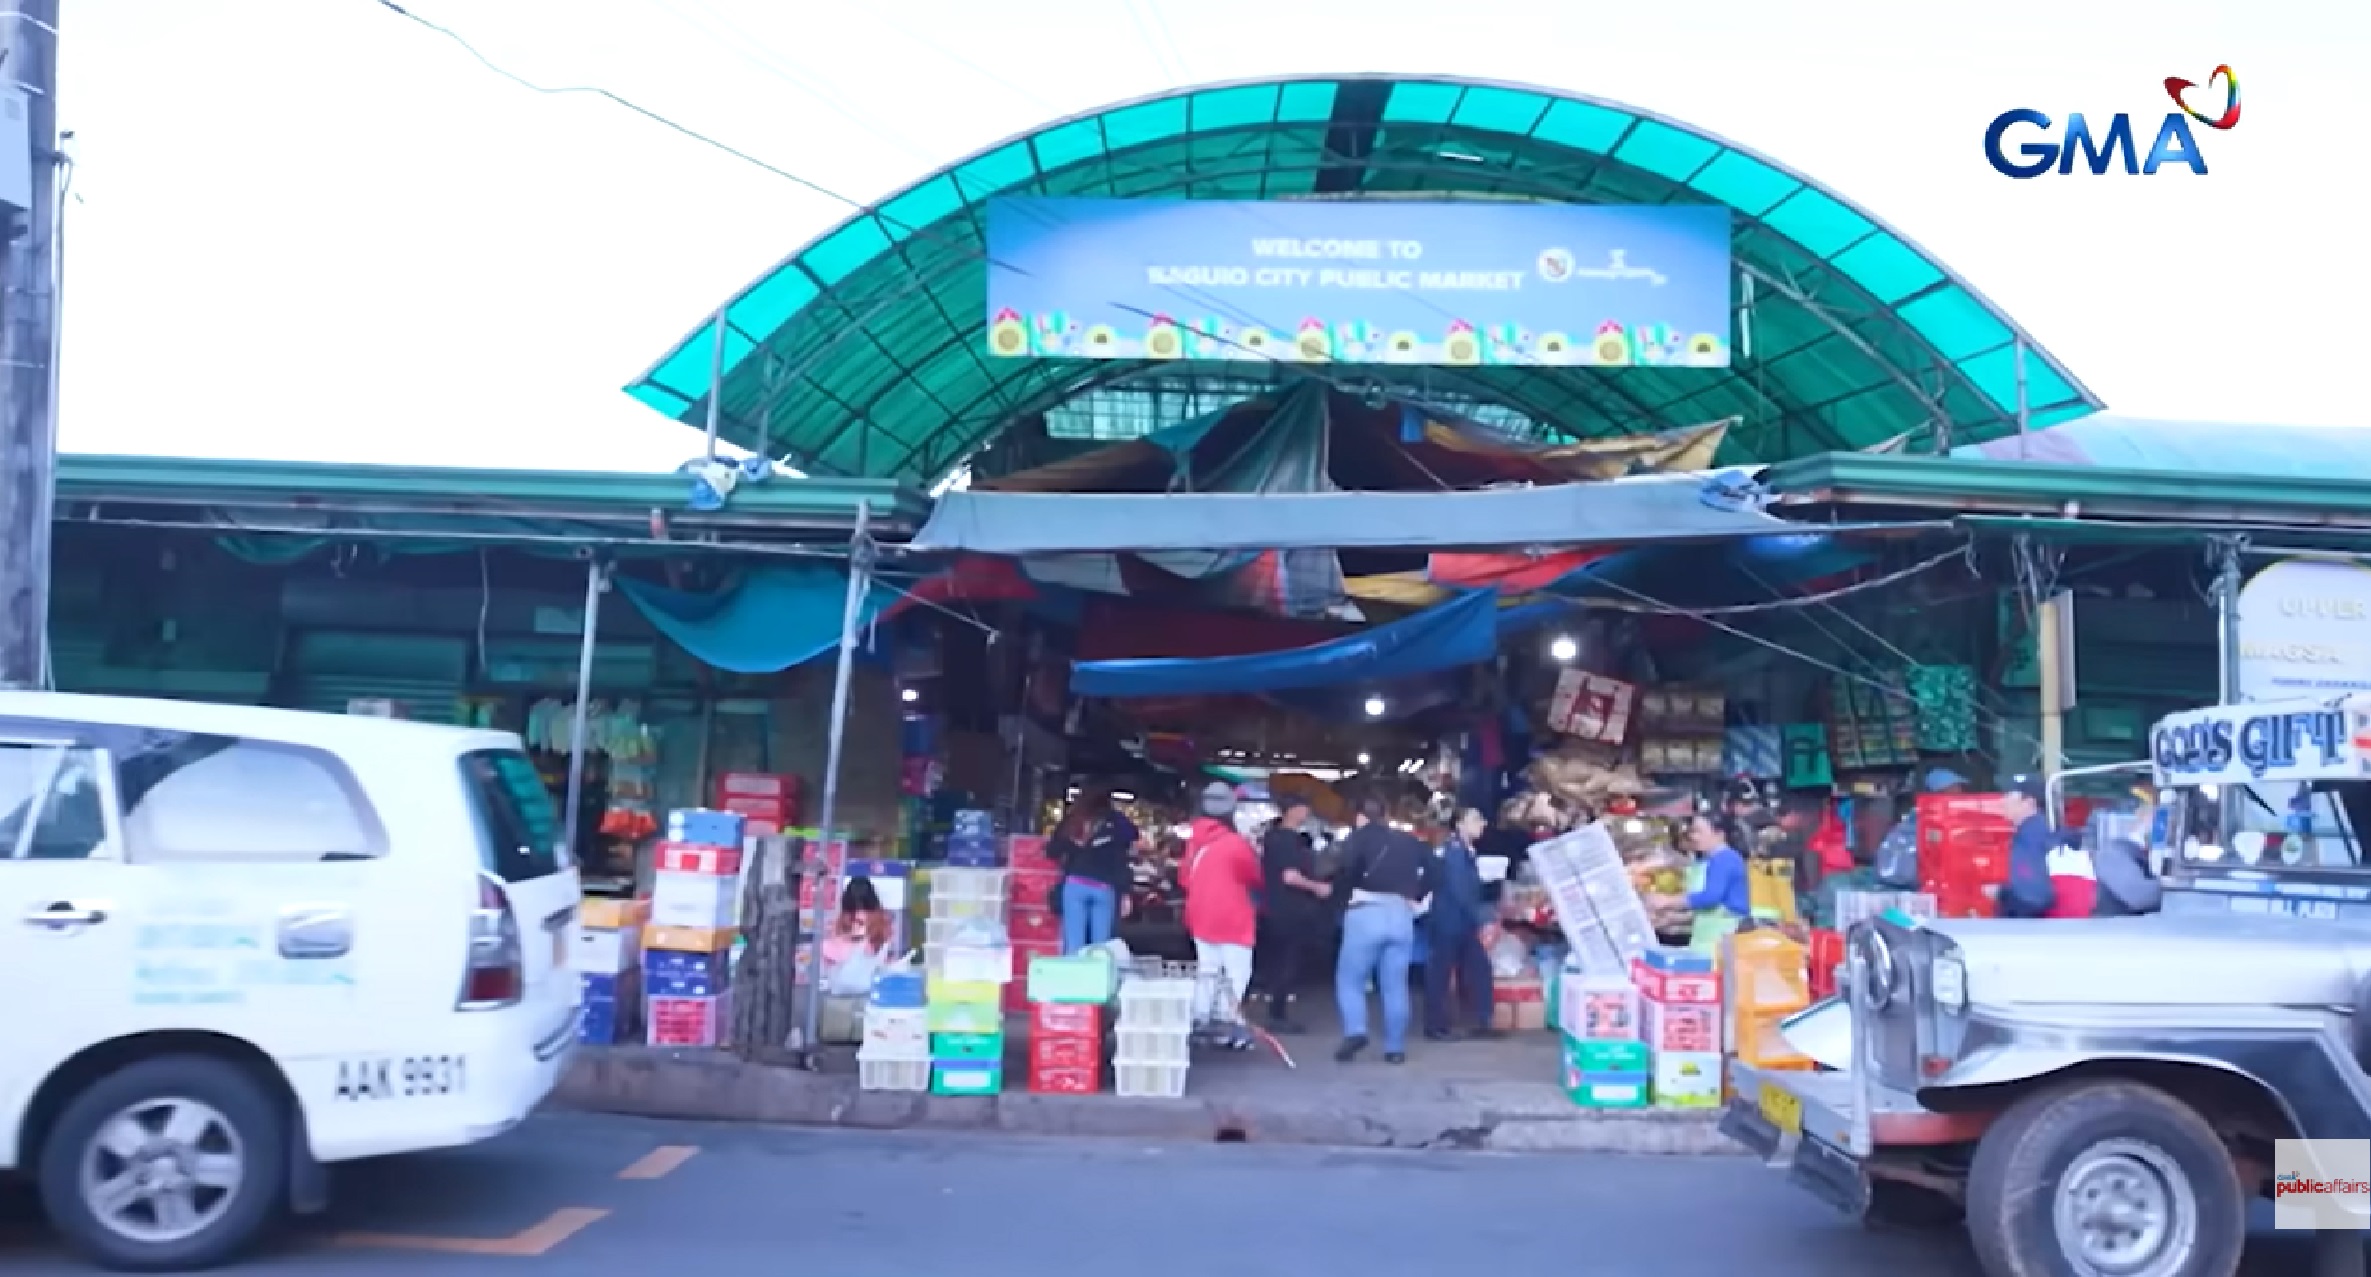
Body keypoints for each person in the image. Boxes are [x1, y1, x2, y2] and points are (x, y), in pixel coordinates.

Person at [1333, 797, 1432, 1064]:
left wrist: (1340, 899)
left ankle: (1356, 1030)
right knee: (1395, 985)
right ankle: (1395, 1049)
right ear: (1385, 814)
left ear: (1360, 817)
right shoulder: (1409, 841)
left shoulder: (1357, 839)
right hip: (1401, 914)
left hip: (1366, 912)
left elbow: (1344, 871)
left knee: (1350, 980)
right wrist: (1417, 894)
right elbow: (1436, 868)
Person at [1181, 781, 1263, 1050]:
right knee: (1236, 973)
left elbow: (1184, 879)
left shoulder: (1193, 842)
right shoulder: (1235, 844)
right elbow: (1254, 876)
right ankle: (1227, 1022)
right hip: (1233, 917)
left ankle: (1202, 1021)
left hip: (1200, 914)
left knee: (1207, 970)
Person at [1423, 807, 1498, 1042]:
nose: (1482, 823)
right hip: (1449, 922)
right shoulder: (1454, 853)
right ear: (1460, 825)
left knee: (1478, 969)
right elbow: (1461, 891)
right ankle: (1436, 1026)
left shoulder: (1467, 851)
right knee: (1441, 973)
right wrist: (1483, 918)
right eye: (1476, 819)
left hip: (1461, 923)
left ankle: (1482, 1020)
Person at [1257, 797, 1330, 1033]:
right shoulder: (1287, 840)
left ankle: (1276, 1010)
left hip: (1274, 906)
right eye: (1305, 808)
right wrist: (1317, 887)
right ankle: (1277, 1015)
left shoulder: (1271, 837)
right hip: (1290, 909)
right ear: (1293, 811)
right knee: (1287, 961)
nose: (1307, 812)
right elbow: (1290, 876)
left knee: (1278, 960)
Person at [1055, 788, 1136, 953]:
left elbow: (1052, 849)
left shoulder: (1073, 821)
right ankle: (1097, 976)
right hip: (1103, 886)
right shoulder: (1115, 822)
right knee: (1100, 947)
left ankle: (1072, 975)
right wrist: (1126, 892)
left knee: (1073, 943)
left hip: (1075, 885)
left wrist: (1073, 849)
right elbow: (1125, 849)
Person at [1681, 812, 1752, 954]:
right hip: (1704, 937)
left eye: (1698, 831)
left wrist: (1668, 902)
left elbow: (1711, 897)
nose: (1693, 837)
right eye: (1692, 831)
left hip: (1721, 939)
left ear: (1719, 834)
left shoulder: (1725, 859)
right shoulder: (1708, 861)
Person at [1996, 775, 2058, 918]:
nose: (2002, 801)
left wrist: (2001, 893)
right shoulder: (2036, 831)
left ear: (2029, 803)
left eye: (2009, 796)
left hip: (2030, 931)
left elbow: (2034, 897)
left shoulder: (2031, 837)